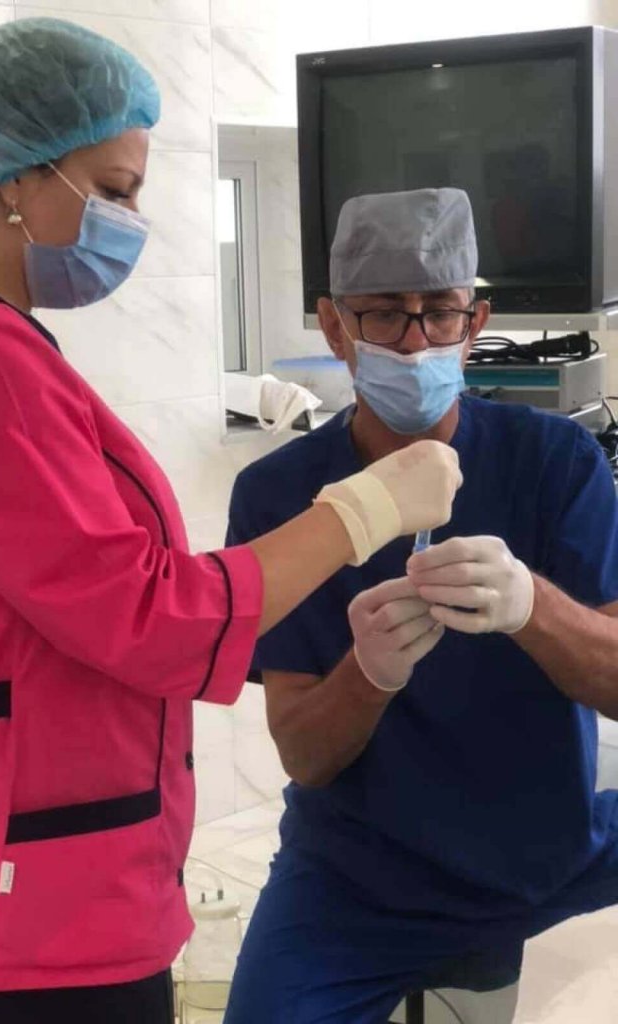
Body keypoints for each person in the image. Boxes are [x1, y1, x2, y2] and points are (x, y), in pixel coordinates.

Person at [0, 21, 462, 1024]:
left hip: (39, 851)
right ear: (16, 178)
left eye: (442, 311)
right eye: (117, 188)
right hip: (28, 905)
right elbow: (146, 614)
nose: (132, 222)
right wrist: (368, 507)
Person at [224, 188, 618, 1024]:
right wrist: (366, 676)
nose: (415, 343)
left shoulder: (556, 462)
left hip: (548, 855)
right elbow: (305, 756)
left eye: (440, 313)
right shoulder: (279, 498)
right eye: (384, 315)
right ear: (335, 328)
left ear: (476, 324)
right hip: (359, 886)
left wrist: (532, 607)